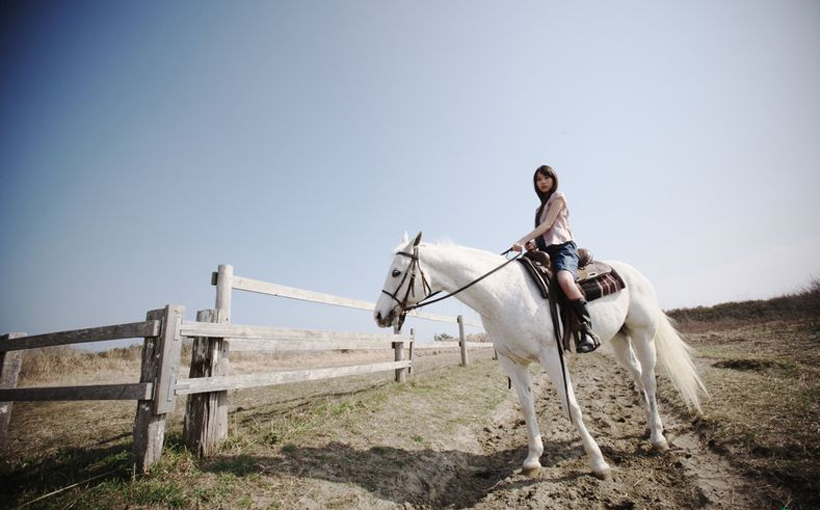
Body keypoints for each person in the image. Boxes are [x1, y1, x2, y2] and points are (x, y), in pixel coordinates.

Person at [511, 164, 600, 353]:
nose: (542, 182)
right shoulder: (538, 209)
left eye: (546, 178)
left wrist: (523, 239)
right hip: (547, 252)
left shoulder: (558, 197)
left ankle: (587, 330)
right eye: (538, 180)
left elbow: (549, 224)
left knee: (564, 279)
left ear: (553, 179)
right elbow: (544, 233)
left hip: (564, 249)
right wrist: (533, 244)